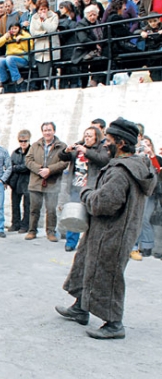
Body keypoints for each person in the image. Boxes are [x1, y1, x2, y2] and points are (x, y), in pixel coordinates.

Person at [55, 118, 155, 339]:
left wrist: (87, 194)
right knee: (86, 263)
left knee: (107, 274)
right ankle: (80, 307)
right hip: (106, 230)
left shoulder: (121, 171)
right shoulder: (136, 165)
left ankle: (114, 323)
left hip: (113, 232)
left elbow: (104, 203)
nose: (105, 144)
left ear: (120, 143)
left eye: (108, 141)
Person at [59, 126, 109, 252]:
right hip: (76, 186)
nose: (87, 138)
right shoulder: (78, 146)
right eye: (85, 135)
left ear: (96, 137)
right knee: (74, 214)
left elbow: (103, 160)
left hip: (91, 188)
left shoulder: (101, 148)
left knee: (92, 216)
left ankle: (90, 243)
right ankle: (71, 242)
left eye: (90, 136)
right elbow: (62, 157)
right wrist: (66, 150)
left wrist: (86, 151)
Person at [24, 122, 69, 241]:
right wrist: (39, 169)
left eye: (49, 130)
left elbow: (65, 162)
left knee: (51, 209)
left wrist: (50, 170)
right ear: (42, 132)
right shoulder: (35, 145)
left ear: (54, 131)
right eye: (45, 130)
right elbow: (28, 160)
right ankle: (32, 231)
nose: (47, 132)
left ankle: (51, 232)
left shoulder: (62, 146)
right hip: (36, 182)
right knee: (34, 209)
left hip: (52, 183)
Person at [131, 135, 161, 259]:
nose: (146, 147)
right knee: (135, 218)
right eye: (144, 144)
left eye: (148, 144)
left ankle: (147, 246)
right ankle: (133, 246)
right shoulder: (137, 156)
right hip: (137, 191)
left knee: (144, 219)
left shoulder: (156, 158)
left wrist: (152, 155)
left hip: (150, 192)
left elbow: (158, 170)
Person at [29, 0, 60, 89]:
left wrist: (45, 20)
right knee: (41, 70)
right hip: (39, 48)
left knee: (51, 70)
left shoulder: (53, 16)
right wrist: (43, 33)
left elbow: (51, 29)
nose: (43, 11)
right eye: (41, 9)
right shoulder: (34, 17)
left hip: (50, 47)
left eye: (44, 9)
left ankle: (51, 87)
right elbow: (33, 32)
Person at [0, 22, 32, 92]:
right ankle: (4, 80)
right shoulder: (8, 36)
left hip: (22, 58)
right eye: (12, 29)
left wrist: (21, 39)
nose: (14, 30)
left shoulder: (25, 34)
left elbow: (29, 48)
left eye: (15, 28)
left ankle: (18, 80)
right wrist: (5, 37)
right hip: (9, 58)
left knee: (9, 59)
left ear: (19, 28)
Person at [8, 130, 32, 233]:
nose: (23, 143)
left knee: (27, 205)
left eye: (25, 141)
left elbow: (27, 166)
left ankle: (25, 225)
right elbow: (9, 166)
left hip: (27, 181)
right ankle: (15, 224)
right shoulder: (16, 152)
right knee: (15, 204)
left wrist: (15, 168)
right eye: (21, 141)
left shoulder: (32, 151)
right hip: (16, 182)